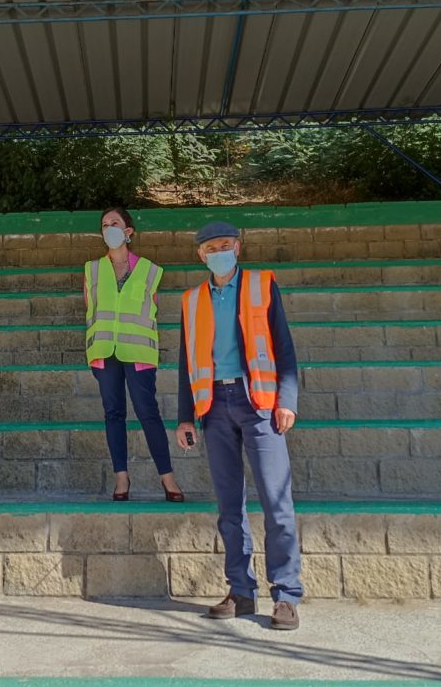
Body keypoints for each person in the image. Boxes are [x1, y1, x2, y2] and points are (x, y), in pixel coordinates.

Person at [175, 221, 303, 630]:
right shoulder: (192, 300)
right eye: (211, 248)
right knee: (229, 507)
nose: (219, 252)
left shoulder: (262, 285)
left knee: (276, 502)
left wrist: (287, 400)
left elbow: (283, 345)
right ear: (201, 255)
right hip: (213, 406)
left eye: (225, 245)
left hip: (258, 403)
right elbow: (186, 360)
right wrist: (184, 415)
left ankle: (286, 595)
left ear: (238, 248)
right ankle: (241, 591)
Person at [85, 207, 184, 502]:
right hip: (104, 351)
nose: (109, 228)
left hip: (139, 351)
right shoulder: (92, 269)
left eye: (114, 223)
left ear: (128, 231)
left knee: (147, 412)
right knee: (113, 413)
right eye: (104, 224)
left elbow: (151, 310)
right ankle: (121, 478)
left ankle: (167, 477)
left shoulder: (150, 270)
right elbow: (90, 309)